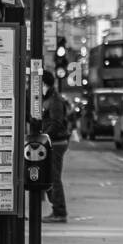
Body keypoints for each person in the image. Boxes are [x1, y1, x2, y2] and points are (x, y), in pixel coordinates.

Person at [41, 71, 70, 223]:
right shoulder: (47, 98)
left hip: (56, 143)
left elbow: (56, 123)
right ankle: (57, 209)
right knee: (49, 177)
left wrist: (44, 138)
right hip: (51, 141)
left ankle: (59, 211)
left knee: (53, 178)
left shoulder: (55, 100)